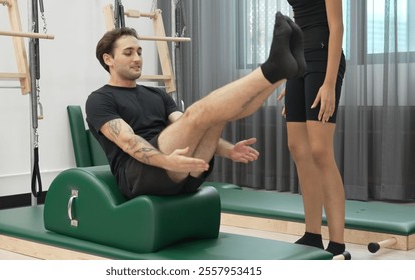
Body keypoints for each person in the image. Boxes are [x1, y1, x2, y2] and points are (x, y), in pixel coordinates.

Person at [86, 13, 304, 202]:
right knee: (197, 112)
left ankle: (281, 74)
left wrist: (229, 150)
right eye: (128, 52)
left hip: (184, 171)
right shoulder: (100, 99)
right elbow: (128, 141)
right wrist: (167, 161)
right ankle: (273, 69)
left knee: (215, 116)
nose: (137, 58)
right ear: (109, 59)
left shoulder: (156, 94)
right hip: (138, 175)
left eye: (139, 52)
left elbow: (192, 128)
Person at [277, 0, 347, 256]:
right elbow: (299, 21)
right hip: (300, 61)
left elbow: (337, 27)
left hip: (323, 57)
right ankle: (312, 235)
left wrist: (329, 83)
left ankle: (337, 244)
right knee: (297, 147)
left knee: (319, 150)